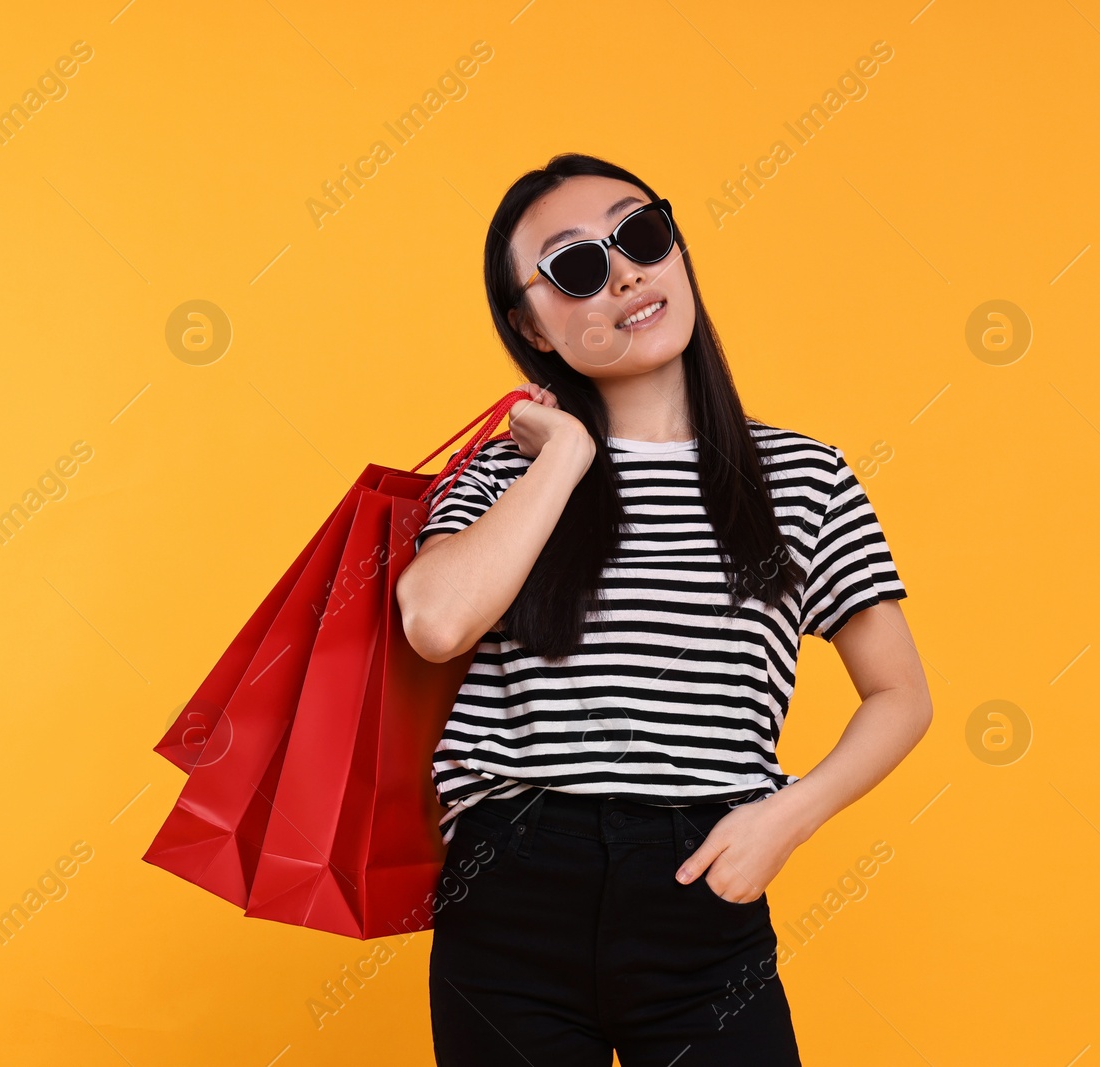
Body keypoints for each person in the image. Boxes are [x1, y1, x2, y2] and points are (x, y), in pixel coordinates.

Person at [395, 152, 932, 1066]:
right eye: (575, 266)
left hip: (704, 884)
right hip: (513, 885)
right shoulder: (502, 477)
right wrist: (563, 456)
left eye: (640, 234)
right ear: (531, 325)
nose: (627, 273)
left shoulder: (802, 477)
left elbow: (901, 695)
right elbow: (436, 623)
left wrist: (784, 818)